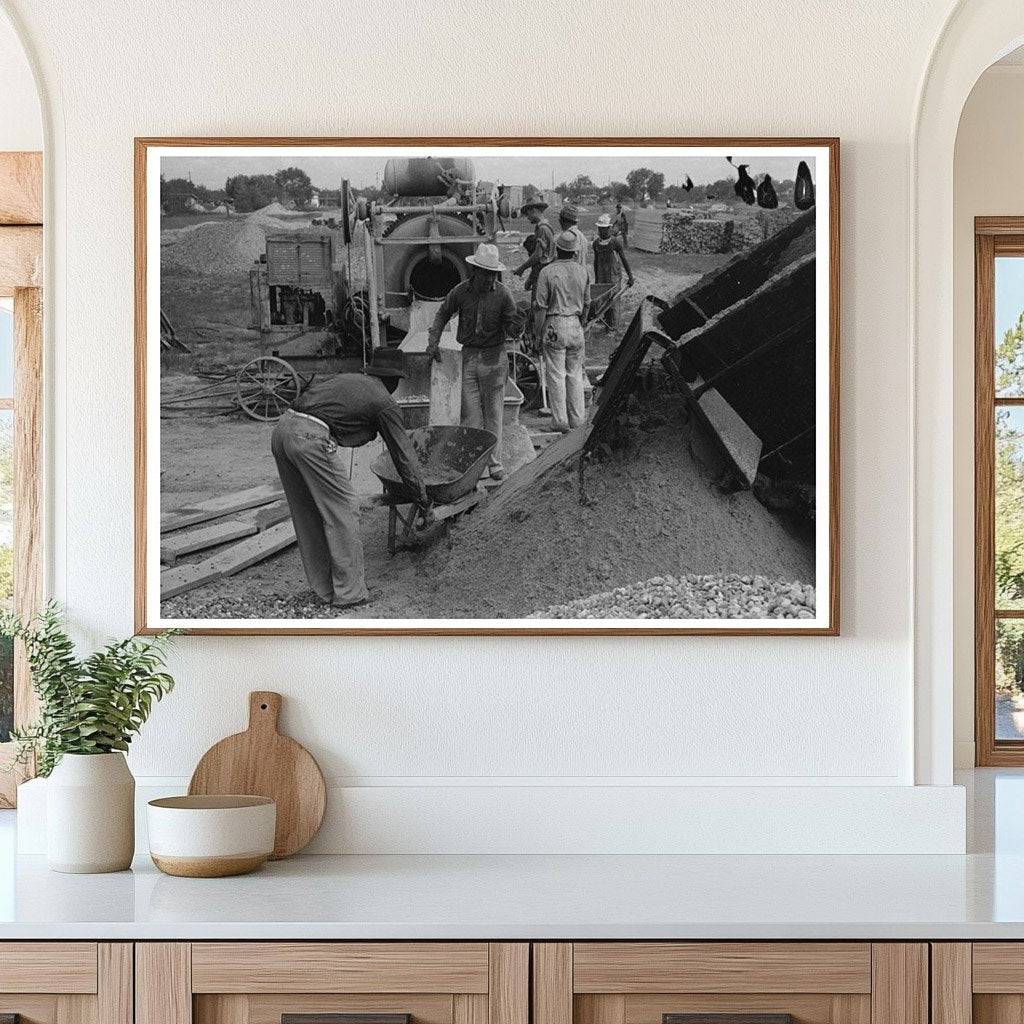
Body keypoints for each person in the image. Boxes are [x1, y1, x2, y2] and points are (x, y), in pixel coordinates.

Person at [271, 350, 428, 609]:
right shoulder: (384, 401)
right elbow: (404, 455)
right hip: (310, 439)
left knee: (308, 512)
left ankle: (325, 589)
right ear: (395, 381)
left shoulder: (352, 381)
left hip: (283, 429)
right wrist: (421, 495)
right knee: (344, 509)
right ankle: (351, 594)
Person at [426, 243, 517, 481]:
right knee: (471, 415)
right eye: (485, 273)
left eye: (492, 274)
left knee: (494, 413)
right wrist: (433, 342)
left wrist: (518, 324)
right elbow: (442, 313)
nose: (489, 278)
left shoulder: (504, 295)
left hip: (494, 357)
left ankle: (493, 462)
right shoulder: (460, 292)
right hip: (469, 356)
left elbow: (514, 326)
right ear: (474, 271)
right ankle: (473, 463)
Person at [533, 230, 591, 433]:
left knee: (556, 374)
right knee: (574, 373)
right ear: (575, 252)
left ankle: (559, 421)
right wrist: (581, 324)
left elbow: (540, 306)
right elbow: (588, 302)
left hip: (554, 323)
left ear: (557, 249)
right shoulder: (583, 271)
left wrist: (537, 333)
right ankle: (577, 419)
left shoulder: (547, 272)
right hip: (575, 324)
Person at [591, 213, 634, 329]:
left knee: (614, 299)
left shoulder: (614, 242)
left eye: (604, 229)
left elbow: (623, 259)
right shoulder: (596, 244)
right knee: (603, 298)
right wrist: (596, 278)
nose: (602, 231)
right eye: (600, 229)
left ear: (609, 228)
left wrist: (630, 276)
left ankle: (613, 325)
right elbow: (596, 261)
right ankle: (605, 319)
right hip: (601, 274)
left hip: (613, 275)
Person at [513, 196, 555, 295]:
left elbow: (538, 255)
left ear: (534, 210)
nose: (527, 217)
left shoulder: (542, 229)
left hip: (542, 271)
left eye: (528, 214)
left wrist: (521, 268)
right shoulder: (545, 226)